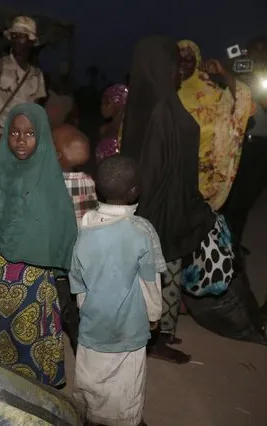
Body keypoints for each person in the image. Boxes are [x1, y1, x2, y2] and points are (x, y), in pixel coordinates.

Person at [120, 36, 234, 364]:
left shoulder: (145, 99)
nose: (178, 70)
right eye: (173, 63)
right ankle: (155, 340)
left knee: (151, 275)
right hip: (161, 204)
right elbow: (156, 165)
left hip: (144, 201)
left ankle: (153, 333)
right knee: (164, 272)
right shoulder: (161, 105)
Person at [0, 103, 78, 388]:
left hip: (36, 280)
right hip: (0, 275)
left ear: (43, 136)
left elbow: (61, 227)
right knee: (1, 337)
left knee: (33, 340)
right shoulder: (0, 170)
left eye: (30, 133)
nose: (21, 140)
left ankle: (37, 398)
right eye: (15, 133)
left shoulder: (49, 178)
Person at [70, 155, 164, 426]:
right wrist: (154, 315)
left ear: (97, 189)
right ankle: (126, 420)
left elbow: (78, 279)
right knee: (127, 383)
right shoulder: (141, 231)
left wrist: (85, 309)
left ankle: (92, 417)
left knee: (92, 378)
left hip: (92, 323)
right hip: (129, 327)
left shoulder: (85, 227)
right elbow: (150, 281)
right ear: (135, 191)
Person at [177, 40, 254, 212]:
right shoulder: (164, 90)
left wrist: (222, 73)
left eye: (188, 59)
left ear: (197, 62)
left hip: (202, 177)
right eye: (178, 59)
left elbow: (244, 103)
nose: (183, 63)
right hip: (169, 172)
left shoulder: (211, 94)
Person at [52, 128, 97, 355]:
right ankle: (83, 345)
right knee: (80, 302)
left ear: (57, 154)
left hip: (59, 256)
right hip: (84, 253)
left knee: (63, 303)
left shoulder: (49, 183)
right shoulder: (89, 181)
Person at [0, 16, 47, 147]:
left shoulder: (36, 75)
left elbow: (37, 109)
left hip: (25, 140)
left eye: (22, 36)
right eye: (14, 36)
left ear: (30, 42)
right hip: (1, 138)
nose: (16, 40)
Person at [222, 36, 267, 247]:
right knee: (230, 193)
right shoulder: (236, 73)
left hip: (261, 143)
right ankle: (227, 242)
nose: (257, 54)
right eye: (253, 50)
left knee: (251, 192)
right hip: (236, 142)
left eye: (262, 50)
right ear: (245, 52)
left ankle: (234, 239)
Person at [95, 84, 129, 163]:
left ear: (110, 104)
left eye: (103, 103)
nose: (101, 107)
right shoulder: (105, 129)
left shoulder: (122, 132)